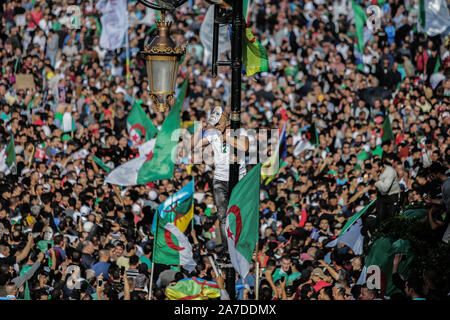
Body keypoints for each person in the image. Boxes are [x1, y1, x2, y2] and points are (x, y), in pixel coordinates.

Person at [193, 106, 249, 251]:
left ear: (225, 122)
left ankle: (240, 243)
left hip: (238, 178)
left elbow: (244, 146)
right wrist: (200, 130)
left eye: (218, 124)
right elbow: (195, 145)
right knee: (222, 215)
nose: (216, 127)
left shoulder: (239, 131)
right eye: (215, 125)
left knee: (238, 212)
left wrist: (226, 138)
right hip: (219, 179)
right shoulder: (213, 134)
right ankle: (227, 247)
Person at [373, 157, 401, 224]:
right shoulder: (378, 171)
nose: (373, 169)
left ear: (380, 167)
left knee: (391, 217)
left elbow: (385, 188)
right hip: (383, 196)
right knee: (380, 216)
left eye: (374, 167)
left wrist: (377, 180)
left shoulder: (389, 172)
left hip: (393, 194)